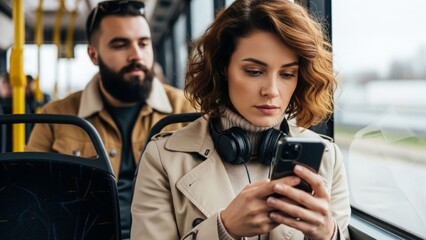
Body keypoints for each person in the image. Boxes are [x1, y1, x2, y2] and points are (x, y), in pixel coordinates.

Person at [131, 0, 350, 239]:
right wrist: (223, 229)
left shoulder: (327, 157)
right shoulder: (162, 159)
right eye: (255, 72)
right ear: (223, 68)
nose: (272, 91)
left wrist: (328, 234)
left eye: (287, 74)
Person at [26, 1, 194, 239]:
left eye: (143, 43)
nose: (136, 55)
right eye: (120, 44)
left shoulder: (187, 110)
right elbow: (30, 196)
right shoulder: (56, 117)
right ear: (94, 55)